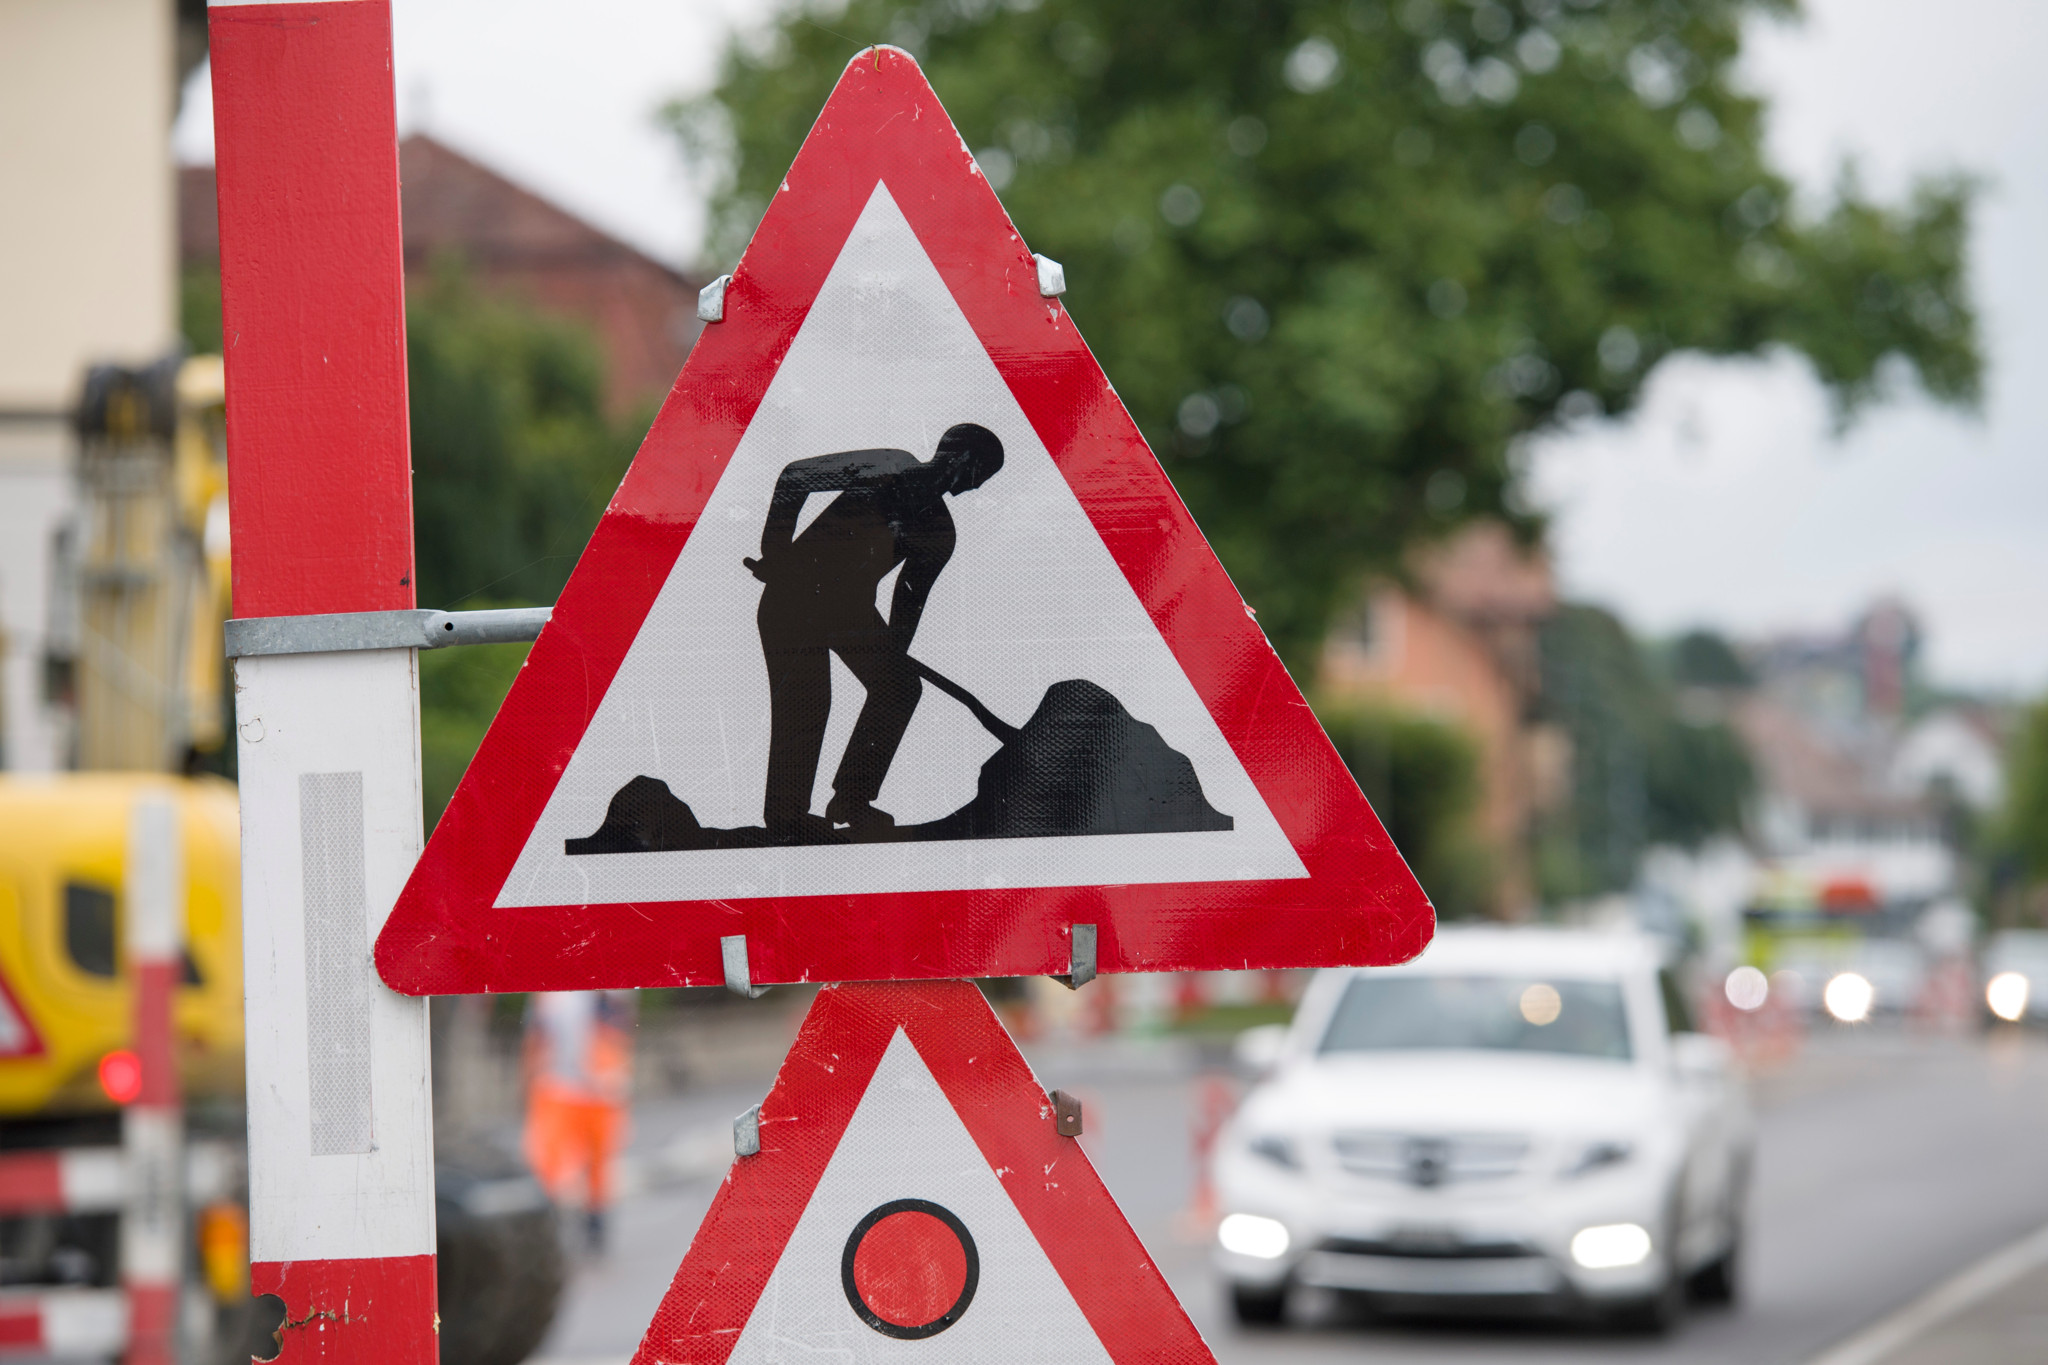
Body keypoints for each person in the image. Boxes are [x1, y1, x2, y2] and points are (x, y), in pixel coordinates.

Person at [746, 422, 1004, 841]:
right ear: (963, 462)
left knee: (900, 687)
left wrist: (894, 655)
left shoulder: (939, 533)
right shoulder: (887, 466)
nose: (976, 488)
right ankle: (786, 816)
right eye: (980, 476)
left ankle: (852, 798)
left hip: (849, 612)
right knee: (808, 700)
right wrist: (775, 551)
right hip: (793, 595)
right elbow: (795, 477)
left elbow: (907, 605)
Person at [522, 991, 633, 1252]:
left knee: (599, 1163)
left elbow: (621, 1031)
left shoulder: (610, 989)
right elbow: (536, 1037)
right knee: (547, 1163)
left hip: (600, 1091)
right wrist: (527, 1081)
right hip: (558, 1088)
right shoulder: (548, 994)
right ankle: (547, 1229)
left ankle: (595, 1224)